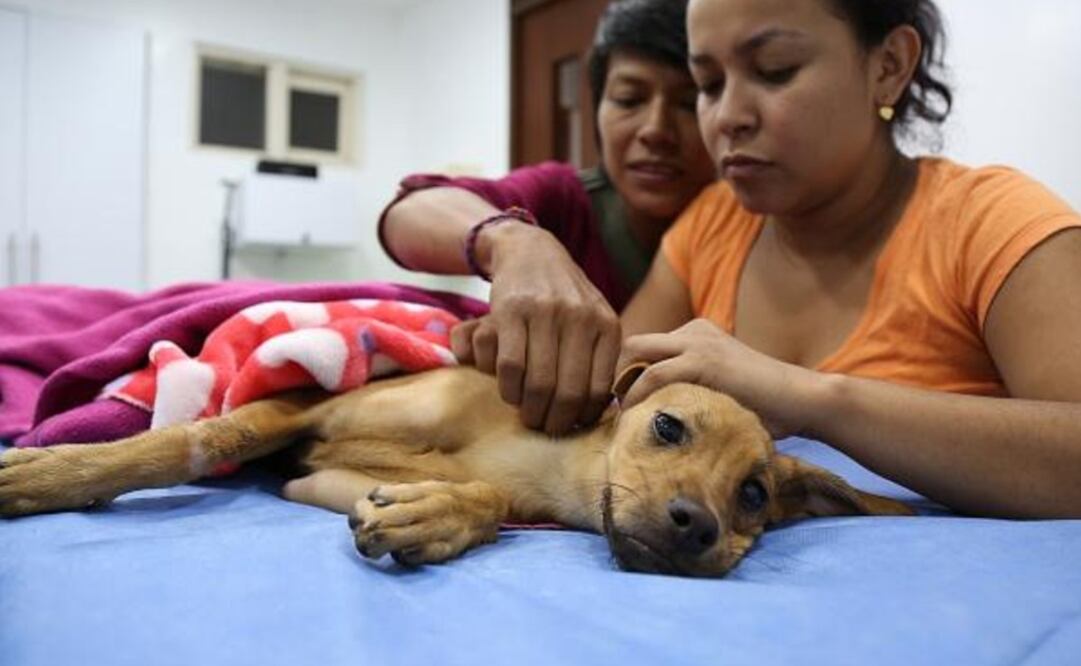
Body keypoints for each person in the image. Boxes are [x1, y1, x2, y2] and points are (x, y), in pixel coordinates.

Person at [616, 0, 1081, 518]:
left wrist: (811, 399)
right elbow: (615, 397)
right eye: (708, 84)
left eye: (775, 71)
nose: (728, 117)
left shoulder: (994, 224)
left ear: (889, 67)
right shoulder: (710, 225)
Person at [379, 0, 715, 435]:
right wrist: (512, 241)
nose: (655, 129)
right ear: (597, 111)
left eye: (688, 103)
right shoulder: (562, 199)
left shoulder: (743, 223)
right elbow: (406, 214)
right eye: (629, 99)